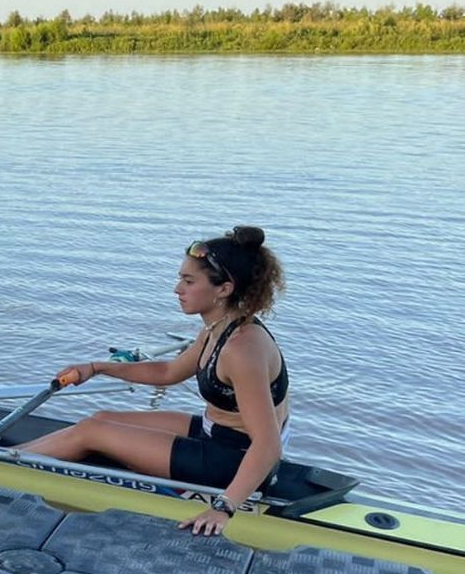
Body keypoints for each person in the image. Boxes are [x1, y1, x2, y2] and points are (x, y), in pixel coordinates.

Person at [20, 226, 289, 537]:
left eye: (189, 281)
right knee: (101, 419)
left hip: (234, 460)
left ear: (224, 289)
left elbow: (268, 444)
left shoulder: (242, 349)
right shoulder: (219, 328)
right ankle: (18, 456)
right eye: (180, 279)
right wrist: (96, 368)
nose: (178, 289)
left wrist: (223, 507)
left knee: (93, 432)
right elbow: (167, 373)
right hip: (213, 434)